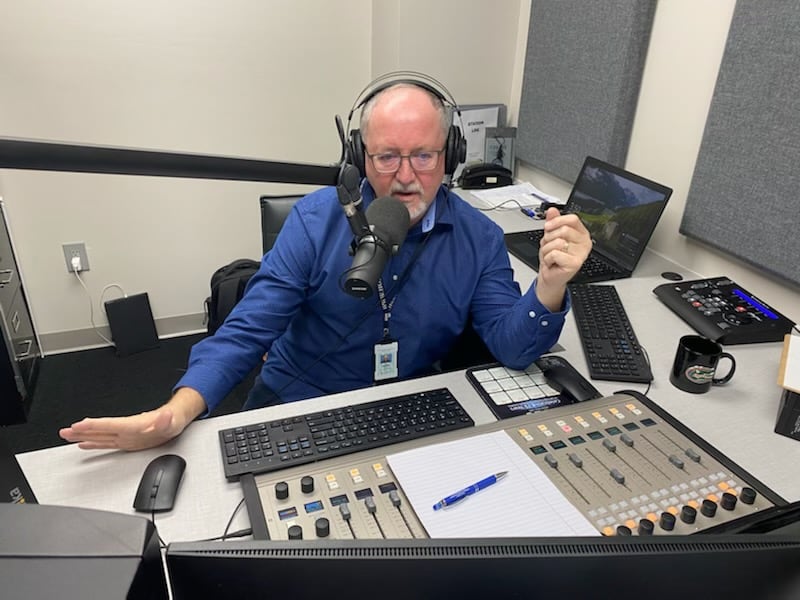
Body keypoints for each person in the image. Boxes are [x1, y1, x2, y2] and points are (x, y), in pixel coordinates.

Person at [59, 79, 592, 452]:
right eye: (387, 157)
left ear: (449, 154)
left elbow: (513, 345)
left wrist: (548, 285)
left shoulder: (479, 237)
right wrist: (175, 412)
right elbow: (246, 331)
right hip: (298, 400)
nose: (406, 176)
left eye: (424, 155)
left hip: (405, 405)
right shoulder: (315, 221)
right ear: (360, 157)